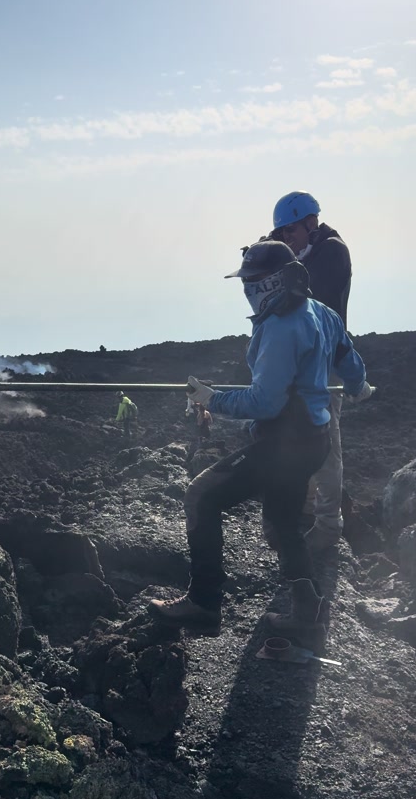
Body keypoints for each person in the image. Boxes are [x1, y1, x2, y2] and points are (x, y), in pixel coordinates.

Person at [148, 240, 371, 641]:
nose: (246, 289)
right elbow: (347, 358)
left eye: (250, 282)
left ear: (268, 283)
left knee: (201, 496)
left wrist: (211, 399)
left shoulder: (279, 327)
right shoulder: (321, 312)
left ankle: (203, 603)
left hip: (285, 445)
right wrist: (359, 387)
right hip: (315, 439)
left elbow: (264, 402)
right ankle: (308, 611)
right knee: (284, 522)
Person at [272, 191, 352, 552]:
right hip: (298, 362)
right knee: (293, 439)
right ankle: (303, 513)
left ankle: (327, 527)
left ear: (311, 223)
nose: (287, 238)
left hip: (326, 364)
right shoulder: (302, 249)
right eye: (282, 233)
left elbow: (309, 297)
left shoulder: (332, 251)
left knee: (326, 447)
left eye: (291, 230)